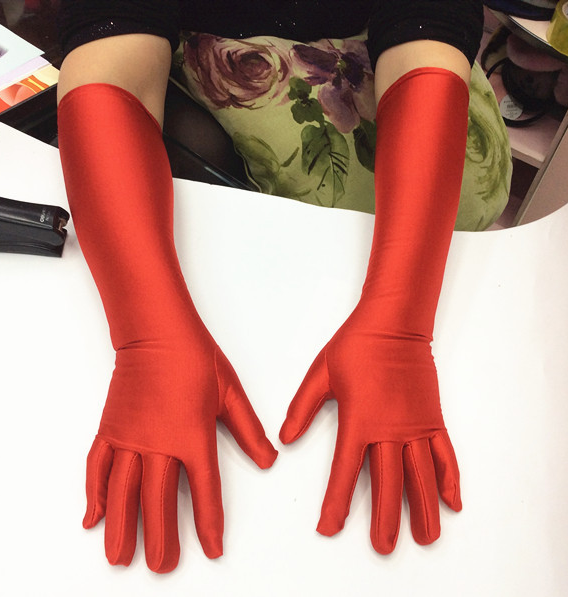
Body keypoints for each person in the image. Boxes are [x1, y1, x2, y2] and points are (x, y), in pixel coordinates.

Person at [56, 0, 484, 574]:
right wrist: (148, 333)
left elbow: (427, 23)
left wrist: (401, 321)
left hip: (394, 73)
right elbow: (110, 53)